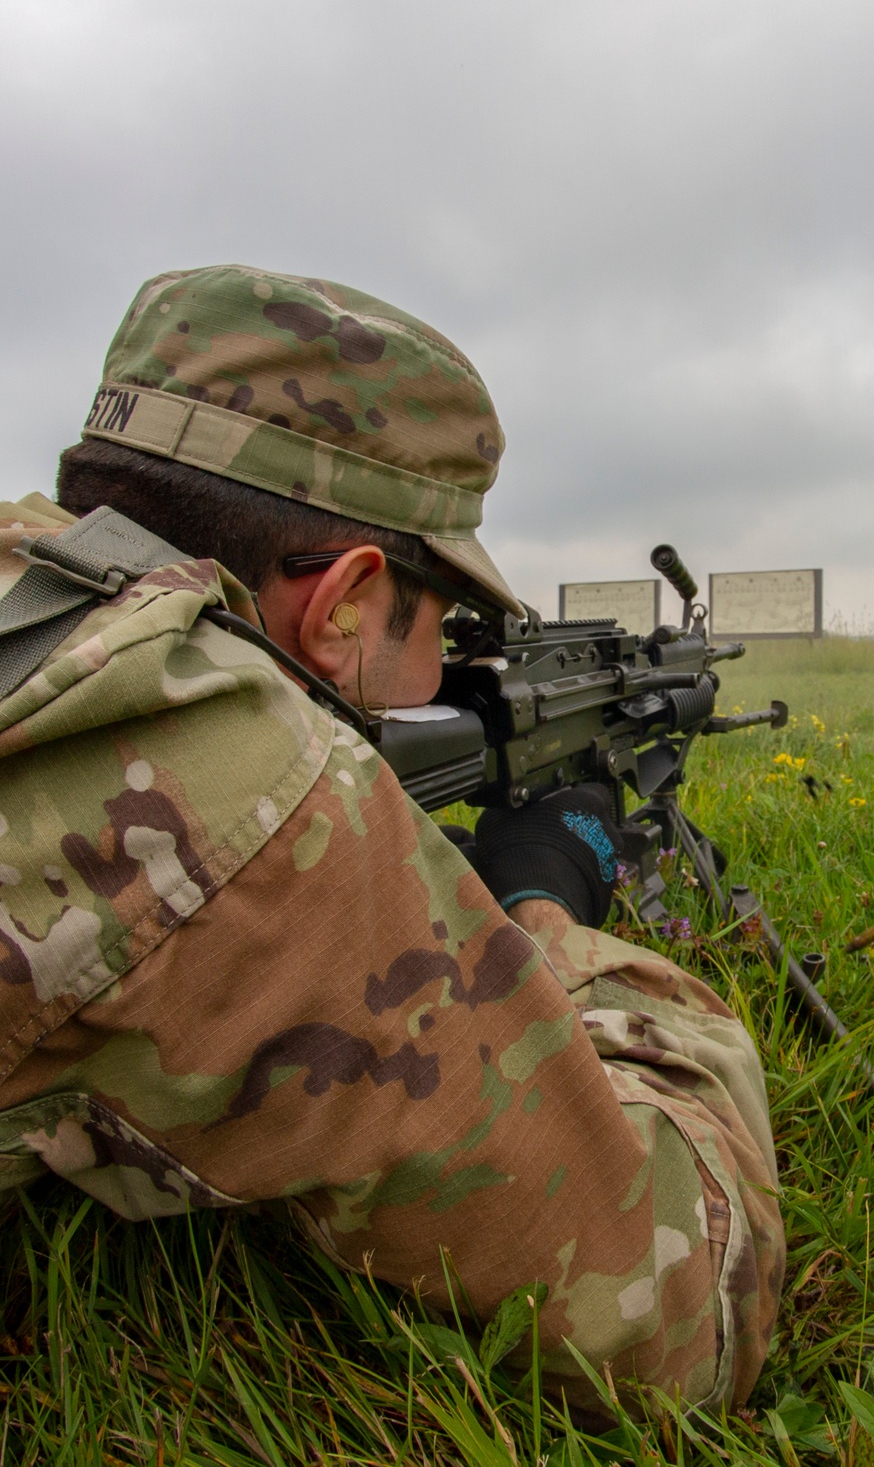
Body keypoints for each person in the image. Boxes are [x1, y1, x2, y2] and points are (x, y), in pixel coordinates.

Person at [0, 265, 783, 1416]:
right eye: (446, 625)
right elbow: (684, 1308)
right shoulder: (233, 787)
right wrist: (545, 901)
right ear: (350, 601)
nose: (442, 674)